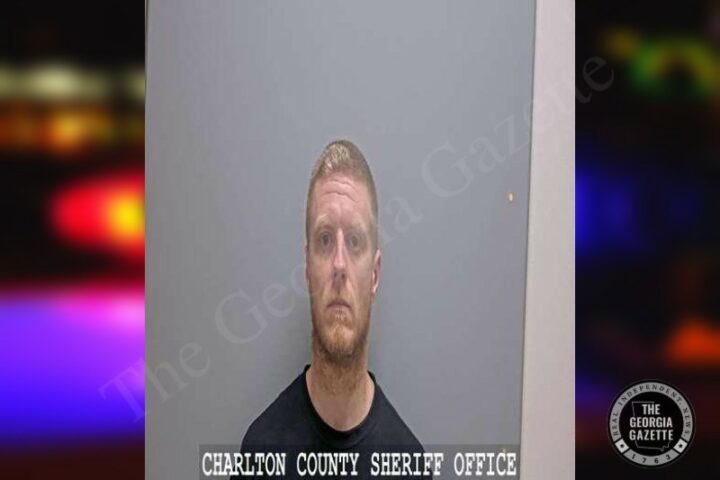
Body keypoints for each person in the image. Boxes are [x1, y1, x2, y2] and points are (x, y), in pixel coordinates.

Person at [239, 140, 424, 477]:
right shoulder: (260, 454)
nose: (339, 264)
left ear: (374, 275)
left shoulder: (409, 465)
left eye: (354, 241)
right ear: (308, 269)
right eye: (325, 240)